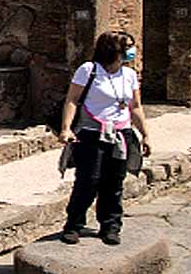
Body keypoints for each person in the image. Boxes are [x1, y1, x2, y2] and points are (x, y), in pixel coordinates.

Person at [58, 30, 153, 245]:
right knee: (88, 181)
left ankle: (110, 226)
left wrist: (145, 134)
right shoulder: (89, 70)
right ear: (113, 49)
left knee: (114, 182)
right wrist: (66, 128)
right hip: (91, 133)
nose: (132, 50)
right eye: (128, 46)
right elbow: (72, 100)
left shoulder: (129, 75)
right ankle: (73, 225)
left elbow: (135, 107)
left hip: (121, 133)